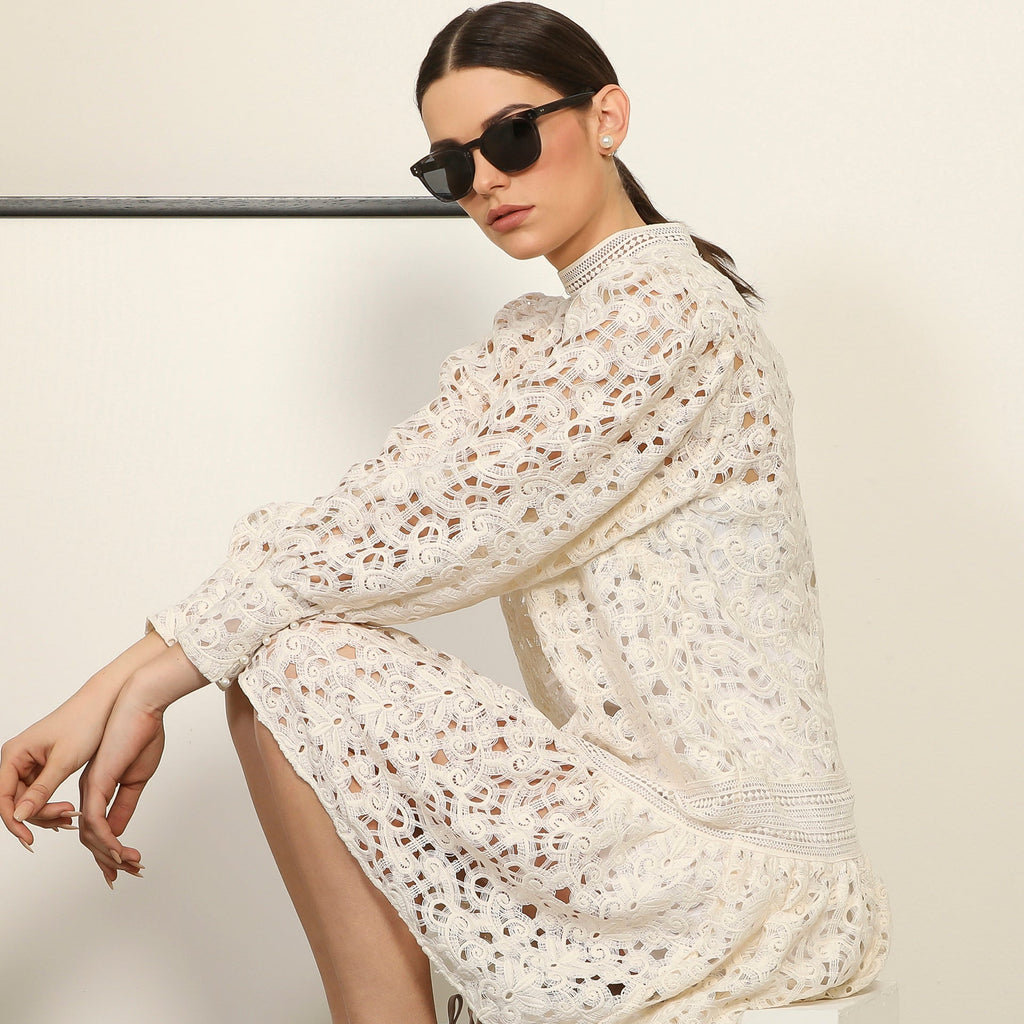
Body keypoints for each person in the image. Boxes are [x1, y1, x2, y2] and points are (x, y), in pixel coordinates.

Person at [0, 3, 892, 1023]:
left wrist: (136, 691)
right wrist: (114, 692)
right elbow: (352, 524)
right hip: (638, 827)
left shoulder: (669, 313)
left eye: (511, 138)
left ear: (607, 117)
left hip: (737, 866)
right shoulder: (536, 340)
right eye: (450, 167)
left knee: (296, 653)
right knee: (277, 640)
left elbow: (395, 543)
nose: (486, 183)